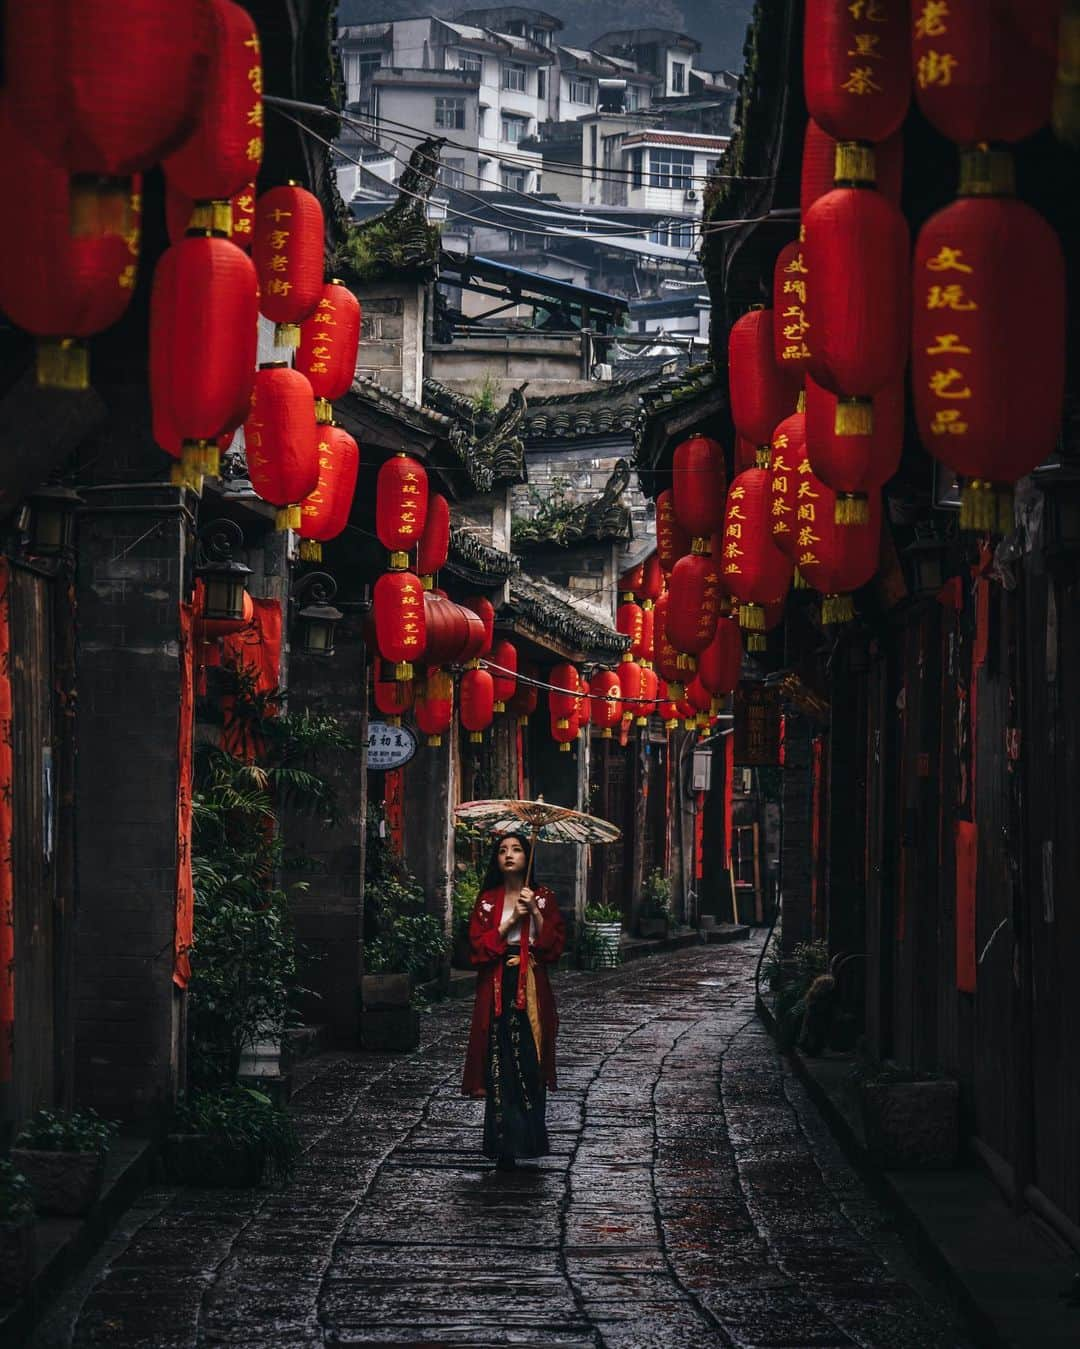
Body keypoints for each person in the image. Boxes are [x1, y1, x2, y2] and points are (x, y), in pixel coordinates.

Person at [461, 831, 566, 1169]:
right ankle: (503, 1145)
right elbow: (477, 949)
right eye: (503, 850)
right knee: (498, 1061)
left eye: (517, 849)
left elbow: (554, 947)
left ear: (526, 857)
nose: (509, 855)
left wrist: (534, 912)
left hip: (531, 986)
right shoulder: (488, 900)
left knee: (529, 1061)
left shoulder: (543, 897)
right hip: (496, 986)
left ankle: (530, 1140)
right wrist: (508, 922)